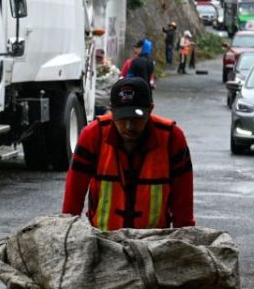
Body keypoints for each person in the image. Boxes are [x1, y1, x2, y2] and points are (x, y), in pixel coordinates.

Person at [62, 77, 195, 230]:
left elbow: (183, 204)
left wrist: (186, 240)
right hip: (104, 239)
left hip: (154, 242)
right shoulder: (93, 136)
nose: (129, 126)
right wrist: (66, 233)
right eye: (122, 118)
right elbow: (73, 196)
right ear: (111, 110)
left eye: (136, 118)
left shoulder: (172, 138)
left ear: (150, 109)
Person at [93, 48, 118, 116]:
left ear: (103, 58)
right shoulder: (112, 70)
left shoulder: (111, 70)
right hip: (98, 103)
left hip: (101, 104)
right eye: (97, 57)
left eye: (99, 58)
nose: (98, 60)